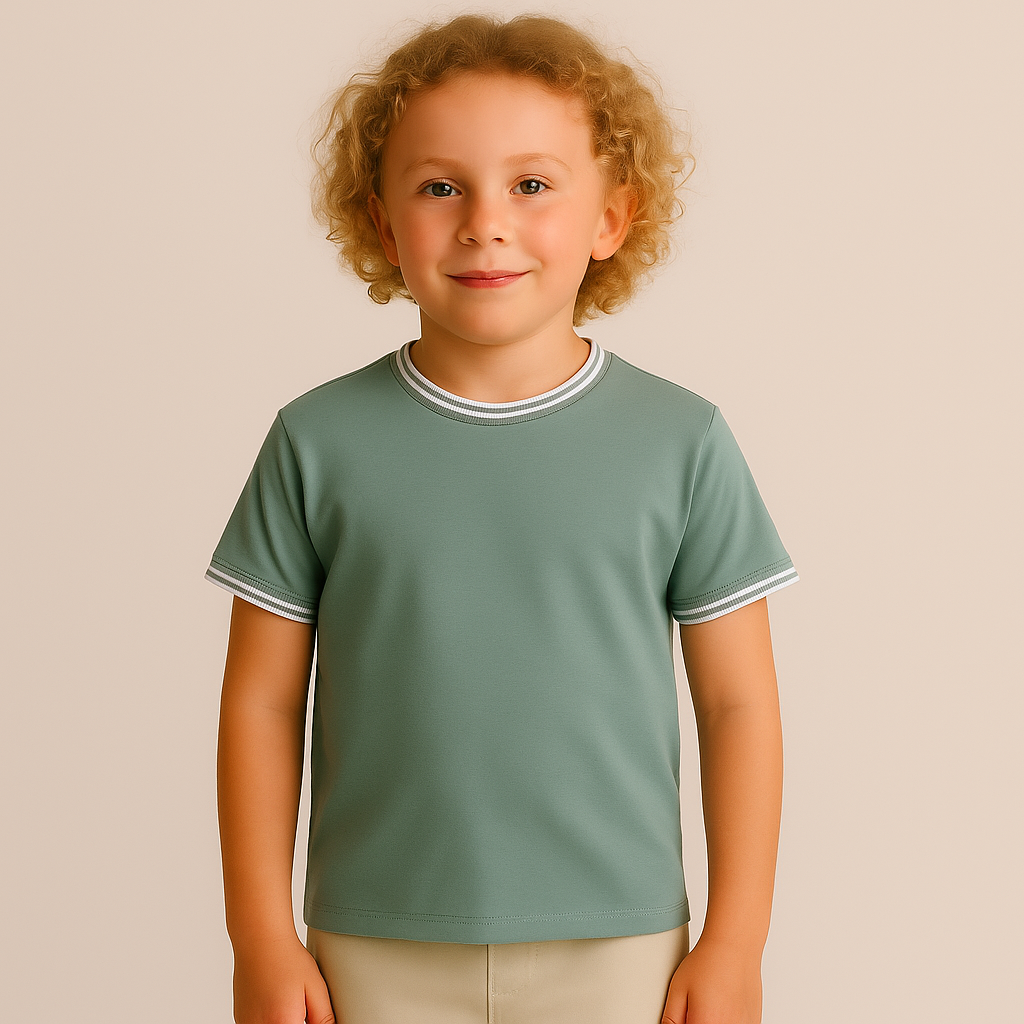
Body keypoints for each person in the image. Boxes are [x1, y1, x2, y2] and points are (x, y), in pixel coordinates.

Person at [206, 12, 799, 1024]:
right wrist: (260, 938)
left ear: (612, 216)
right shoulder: (314, 440)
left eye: (531, 185)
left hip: (619, 950)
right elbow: (261, 703)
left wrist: (736, 943)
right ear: (383, 223)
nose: (485, 222)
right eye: (441, 187)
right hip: (370, 947)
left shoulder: (683, 440)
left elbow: (737, 704)